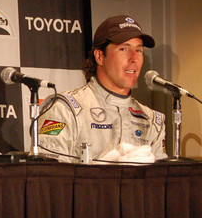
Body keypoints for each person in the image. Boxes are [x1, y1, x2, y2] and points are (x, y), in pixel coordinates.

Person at [36, 15, 167, 163]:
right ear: (99, 56)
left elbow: (160, 181)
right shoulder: (64, 109)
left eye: (139, 50)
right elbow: (48, 177)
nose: (134, 58)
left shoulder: (152, 120)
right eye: (124, 49)